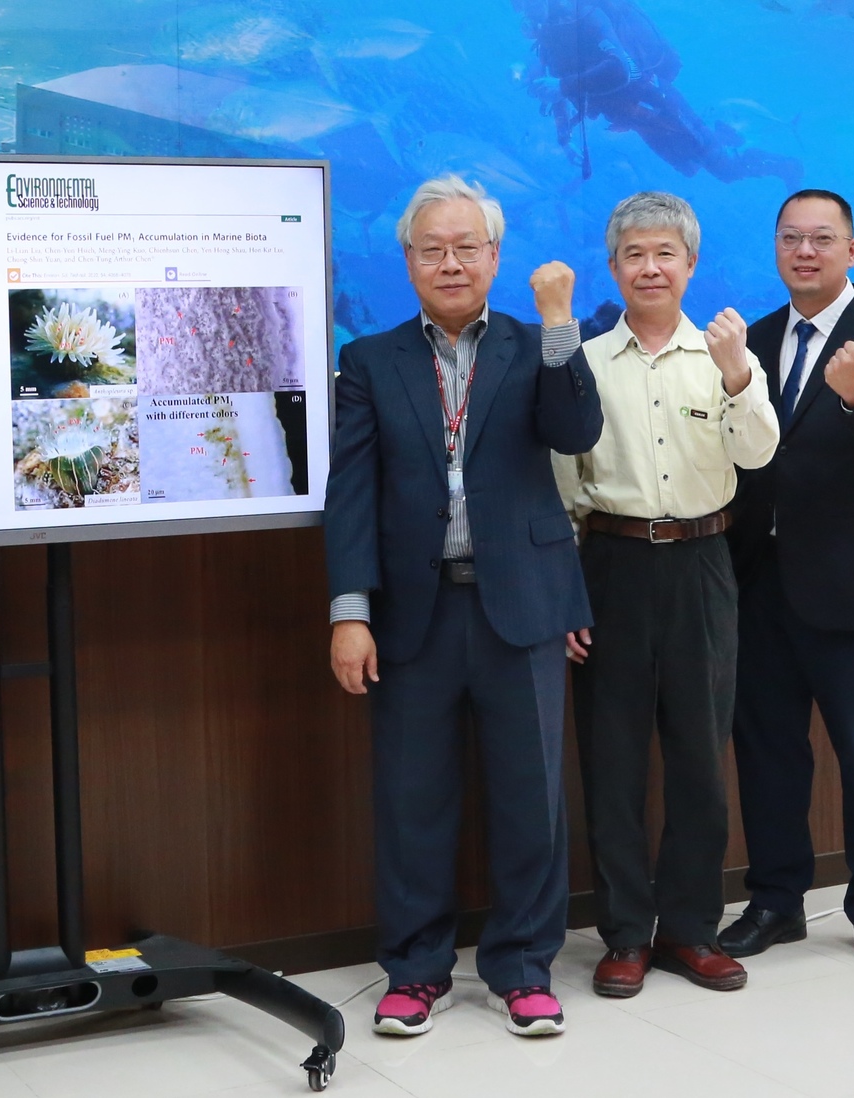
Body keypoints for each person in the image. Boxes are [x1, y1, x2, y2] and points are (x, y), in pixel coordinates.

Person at [326, 174, 602, 1038]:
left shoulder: (534, 345)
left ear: (493, 256)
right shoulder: (372, 361)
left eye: (466, 247)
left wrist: (560, 321)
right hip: (414, 613)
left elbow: (576, 431)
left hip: (521, 607)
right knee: (414, 801)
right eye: (431, 248)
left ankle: (523, 969)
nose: (449, 263)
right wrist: (348, 610)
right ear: (407, 259)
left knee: (531, 800)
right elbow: (352, 493)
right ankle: (414, 970)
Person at [552, 192, 779, 999]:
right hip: (609, 565)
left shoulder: (723, 352)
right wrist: (568, 595)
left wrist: (738, 374)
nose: (650, 267)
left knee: (697, 759)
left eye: (665, 254)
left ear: (690, 263)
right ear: (614, 268)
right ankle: (623, 935)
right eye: (634, 255)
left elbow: (756, 455)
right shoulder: (585, 361)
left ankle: (690, 930)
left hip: (702, 563)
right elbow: (563, 485)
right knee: (610, 762)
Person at [720, 189, 854, 974]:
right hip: (759, 584)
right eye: (790, 238)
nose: (803, 251)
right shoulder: (758, 337)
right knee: (769, 752)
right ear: (776, 249)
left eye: (821, 239)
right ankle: (776, 900)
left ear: (852, 250)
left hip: (853, 590)